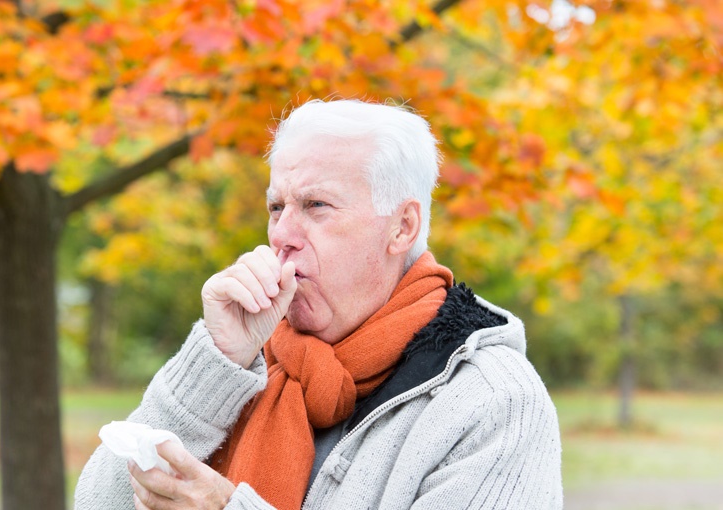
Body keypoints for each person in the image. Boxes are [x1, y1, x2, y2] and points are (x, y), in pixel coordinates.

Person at [74, 99, 563, 510]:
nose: (282, 235)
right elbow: (97, 503)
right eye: (276, 207)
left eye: (316, 206)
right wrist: (216, 363)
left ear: (402, 227)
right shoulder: (248, 356)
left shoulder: (493, 402)